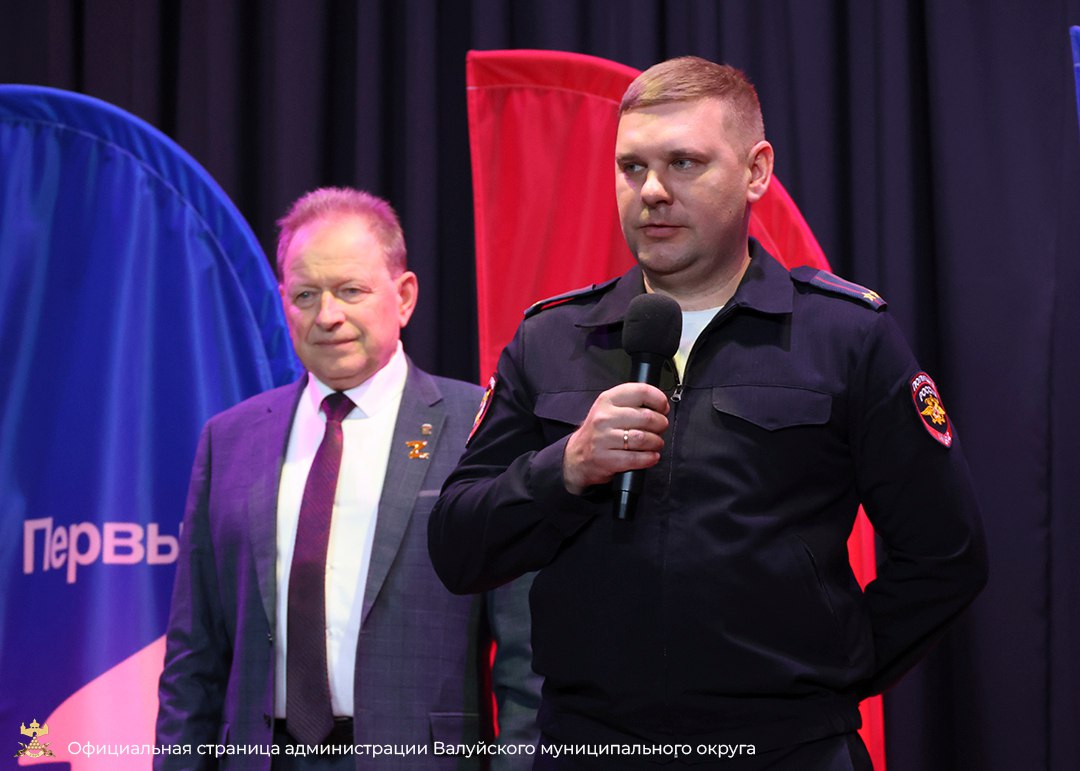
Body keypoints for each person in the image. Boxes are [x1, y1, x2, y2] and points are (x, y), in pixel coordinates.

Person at [428, 57, 987, 769]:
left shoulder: (844, 335)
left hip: (787, 751)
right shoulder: (551, 339)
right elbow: (457, 545)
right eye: (632, 167)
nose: (652, 191)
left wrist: (826, 677)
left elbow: (946, 554)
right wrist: (563, 468)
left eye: (684, 163)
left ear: (756, 171)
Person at [157, 187, 540, 770]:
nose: (327, 316)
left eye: (350, 291)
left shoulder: (480, 428)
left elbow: (525, 660)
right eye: (306, 295)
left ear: (403, 296)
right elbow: (193, 660)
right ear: (283, 302)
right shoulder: (228, 442)